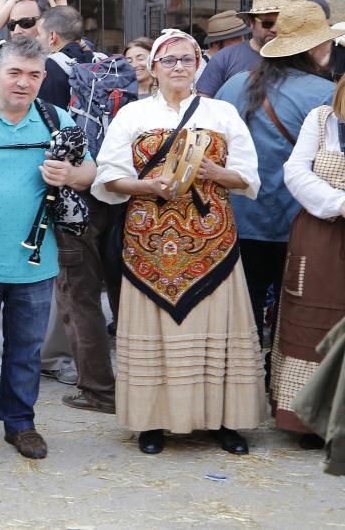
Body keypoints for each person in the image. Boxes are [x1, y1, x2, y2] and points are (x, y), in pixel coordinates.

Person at [92, 29, 264, 456]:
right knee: (156, 332)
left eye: (186, 60)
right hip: (149, 241)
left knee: (215, 330)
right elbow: (106, 176)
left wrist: (212, 172)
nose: (178, 68)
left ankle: (226, 421)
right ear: (153, 67)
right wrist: (147, 184)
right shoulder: (131, 116)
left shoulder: (222, 113)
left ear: (198, 65)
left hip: (211, 243)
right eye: (168, 61)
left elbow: (249, 176)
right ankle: (153, 422)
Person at [0, 35, 95, 467]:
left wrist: (72, 173)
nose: (23, 82)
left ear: (43, 78)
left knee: (25, 349)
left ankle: (20, 423)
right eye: (14, 73)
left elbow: (90, 171)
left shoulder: (57, 118)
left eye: (33, 74)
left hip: (36, 261)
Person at [215, 0, 338, 351]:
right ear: (316, 46)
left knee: (243, 315)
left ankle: (243, 387)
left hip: (238, 218)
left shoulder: (233, 85)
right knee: (294, 316)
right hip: (298, 224)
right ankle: (282, 388)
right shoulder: (324, 94)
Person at [36, 7, 118, 413]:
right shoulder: (105, 67)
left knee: (79, 296)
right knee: (119, 295)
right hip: (116, 188)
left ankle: (100, 391)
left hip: (73, 194)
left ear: (51, 37)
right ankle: (139, 383)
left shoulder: (47, 71)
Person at [275, 79, 345, 449]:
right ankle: (314, 419)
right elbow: (297, 172)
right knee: (316, 325)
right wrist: (337, 202)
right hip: (322, 234)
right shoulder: (321, 120)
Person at [196, 0, 292, 97]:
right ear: (252, 23)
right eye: (267, 23)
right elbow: (204, 104)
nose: (275, 29)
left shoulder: (299, 57)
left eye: (282, 23)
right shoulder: (225, 58)